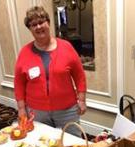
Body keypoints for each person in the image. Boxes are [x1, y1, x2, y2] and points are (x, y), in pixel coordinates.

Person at [14, 6, 87, 135]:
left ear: (48, 23)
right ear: (30, 29)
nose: (38, 27)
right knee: (42, 144)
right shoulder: (24, 53)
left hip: (67, 109)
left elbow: (79, 76)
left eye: (41, 22)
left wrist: (81, 100)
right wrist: (21, 108)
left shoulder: (66, 47)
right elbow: (19, 83)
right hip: (36, 110)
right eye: (33, 24)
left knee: (73, 144)